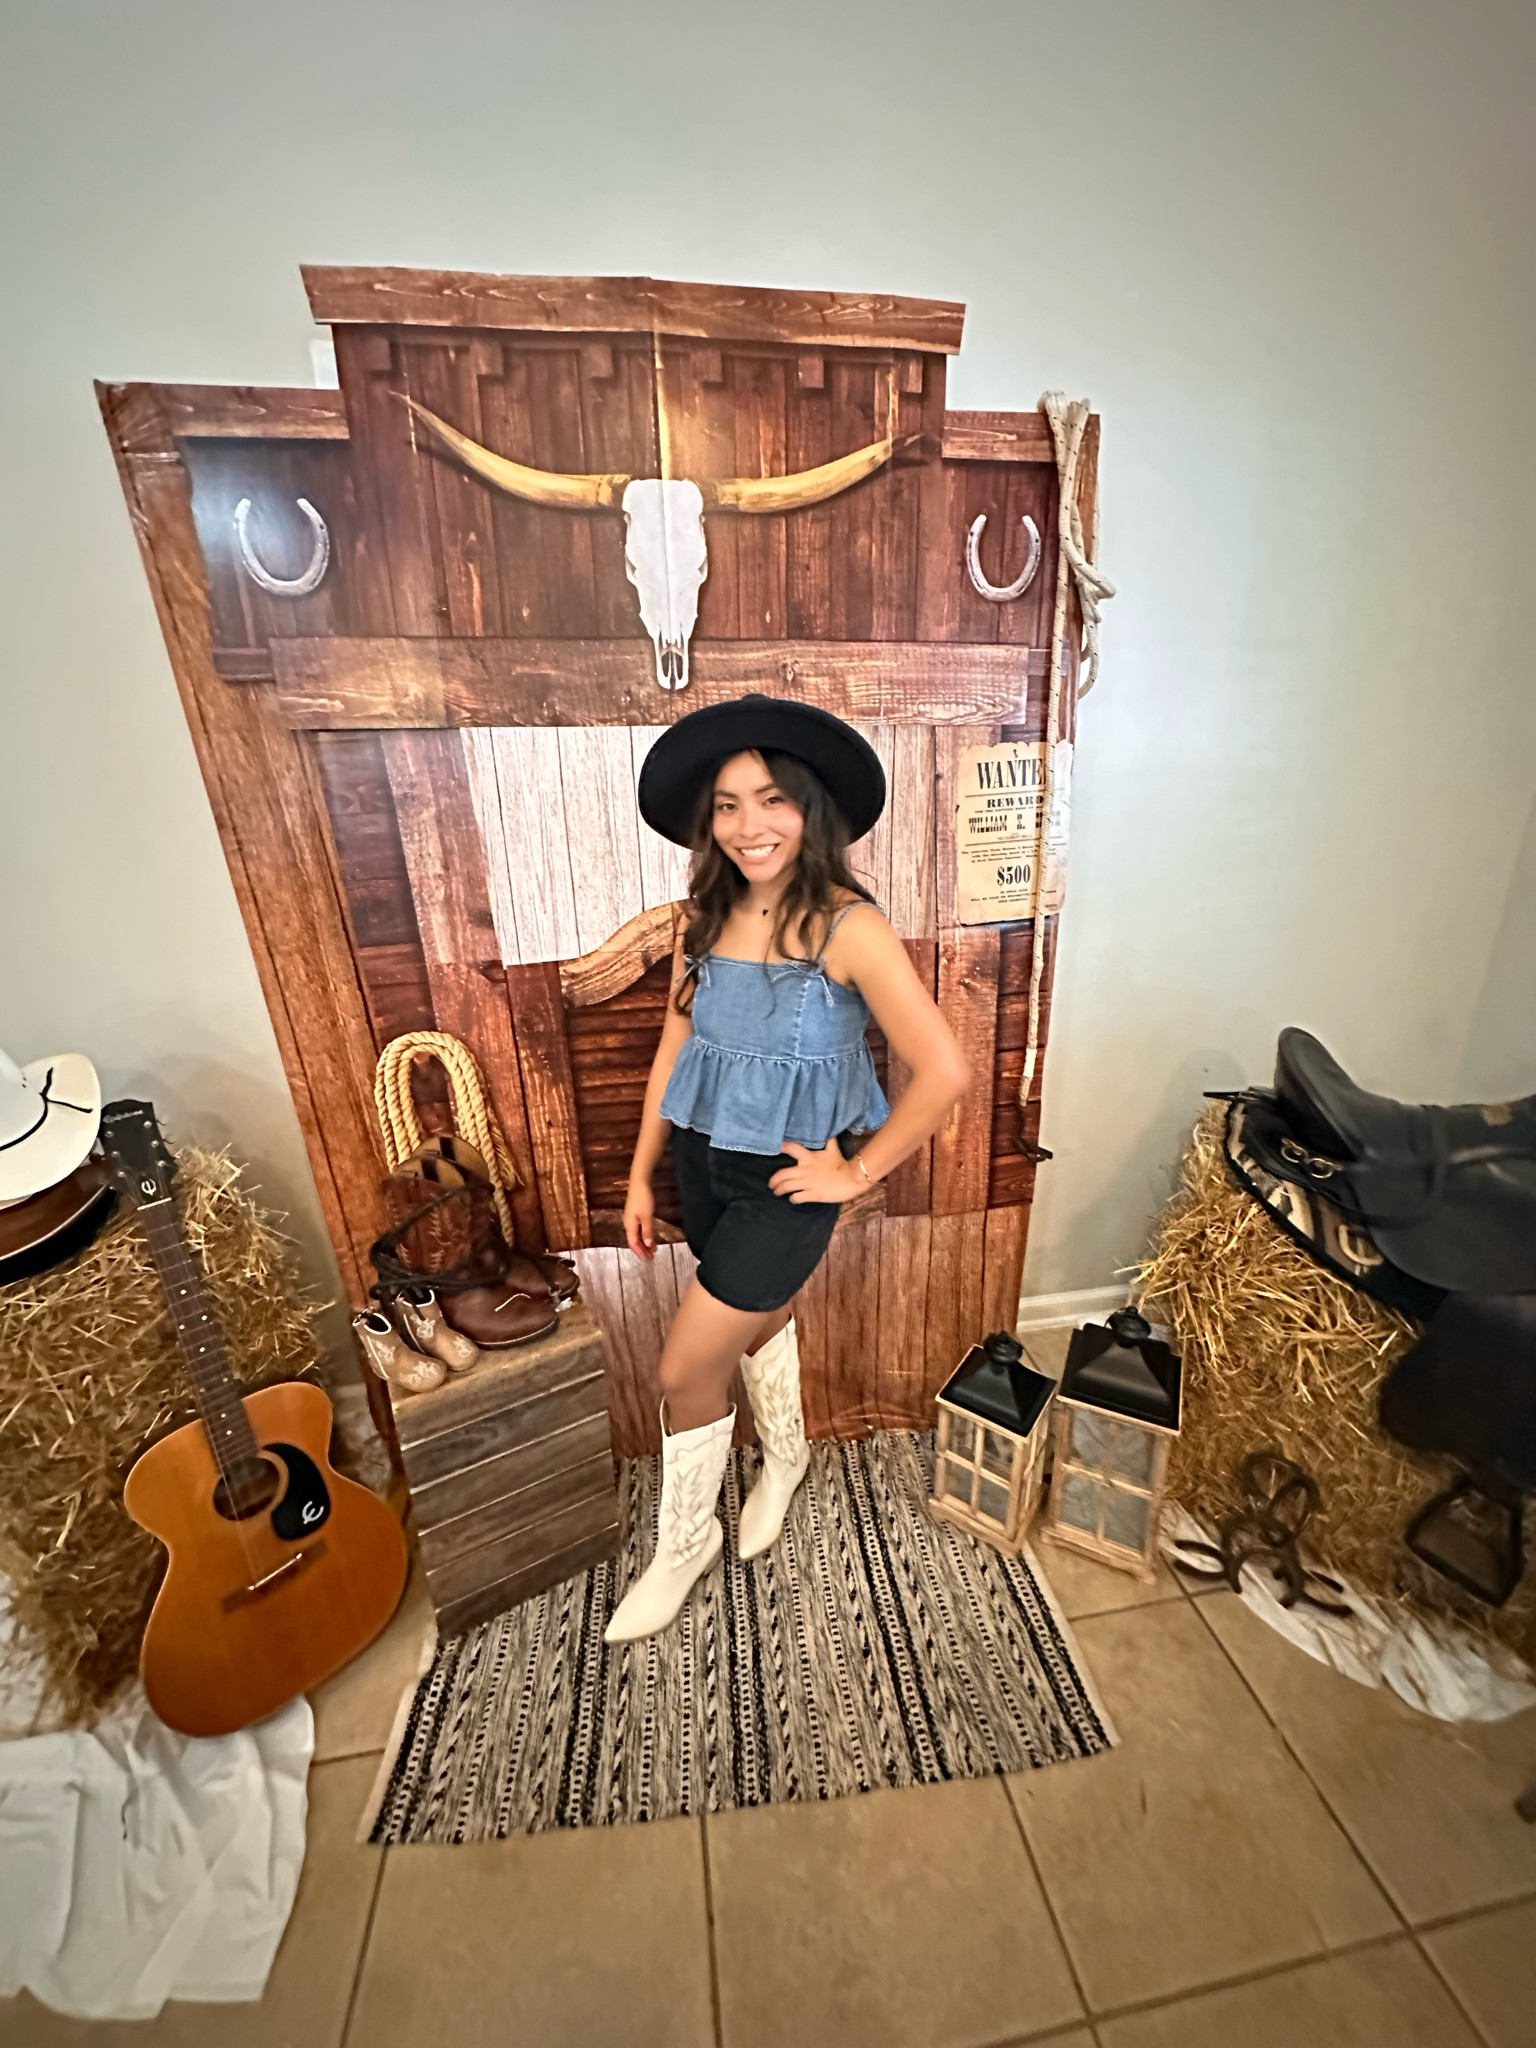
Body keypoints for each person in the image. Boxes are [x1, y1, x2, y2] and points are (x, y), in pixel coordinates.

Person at [606, 694, 971, 1644]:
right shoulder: (703, 919)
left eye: (769, 800)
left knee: (684, 1366)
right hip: (702, 1159)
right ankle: (787, 1456)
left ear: (808, 810)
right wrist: (644, 1173)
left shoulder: (847, 927)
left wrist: (855, 1174)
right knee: (756, 1317)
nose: (747, 825)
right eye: (726, 805)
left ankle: (680, 1548)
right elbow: (673, 1047)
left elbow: (944, 1073)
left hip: (788, 1181)